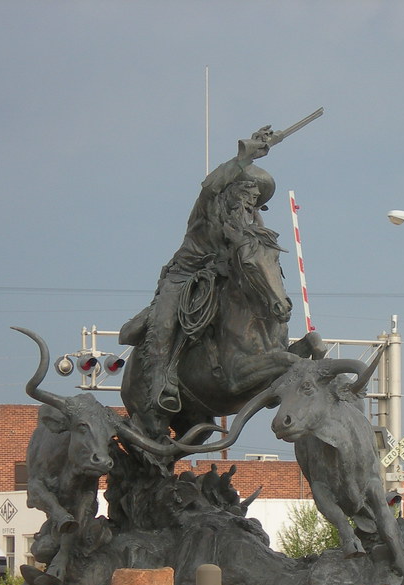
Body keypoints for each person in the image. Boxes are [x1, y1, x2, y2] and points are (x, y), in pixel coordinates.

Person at [120, 126, 283, 414]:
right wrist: (243, 158)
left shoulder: (253, 226)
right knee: (165, 321)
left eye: (255, 198)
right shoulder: (208, 205)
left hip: (227, 279)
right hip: (187, 274)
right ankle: (161, 381)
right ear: (230, 190)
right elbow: (209, 186)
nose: (250, 201)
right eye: (245, 192)